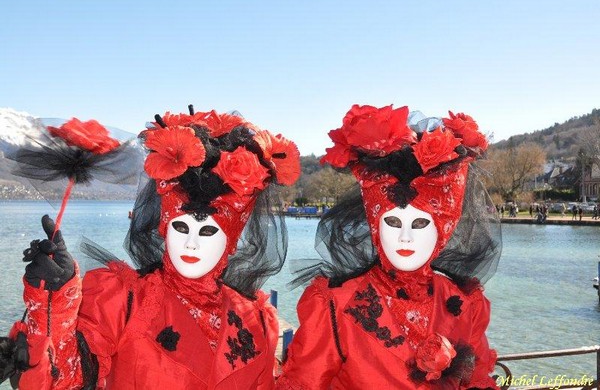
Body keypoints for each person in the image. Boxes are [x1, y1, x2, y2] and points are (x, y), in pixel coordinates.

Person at [2, 107, 301, 389]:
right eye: (181, 227)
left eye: (209, 231)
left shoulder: (257, 320)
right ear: (164, 226)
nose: (191, 242)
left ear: (231, 239)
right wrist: (56, 303)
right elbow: (65, 380)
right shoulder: (124, 301)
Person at [277, 105, 501, 389]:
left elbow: (478, 380)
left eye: (419, 224)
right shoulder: (335, 305)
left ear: (443, 227)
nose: (404, 237)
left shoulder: (464, 304)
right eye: (393, 222)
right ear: (375, 225)